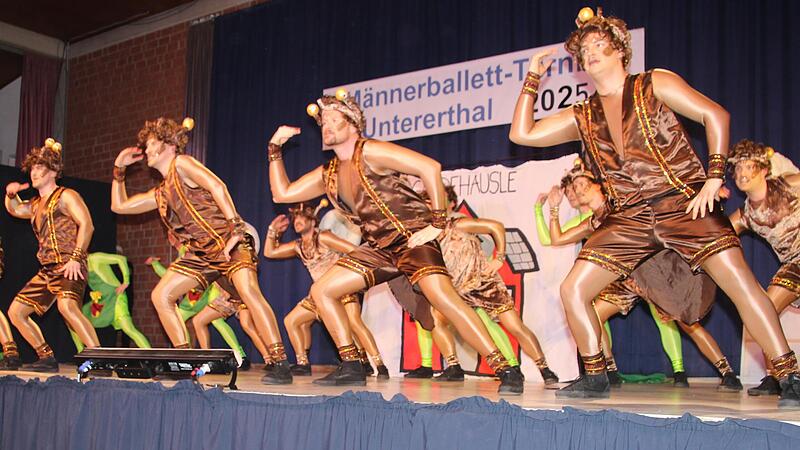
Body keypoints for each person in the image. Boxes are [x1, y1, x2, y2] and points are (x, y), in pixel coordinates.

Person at [509, 8, 798, 404]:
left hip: (683, 202)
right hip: (629, 216)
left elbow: (714, 114)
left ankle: (790, 374)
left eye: (599, 45)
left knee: (741, 285)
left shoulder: (653, 83)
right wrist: (533, 76)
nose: (591, 53)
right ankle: (595, 375)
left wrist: (714, 177)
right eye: (585, 49)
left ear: (619, 51)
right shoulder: (583, 114)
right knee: (573, 289)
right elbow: (521, 133)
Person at [267, 90, 522, 392]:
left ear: (353, 125)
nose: (328, 126)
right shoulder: (330, 173)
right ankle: (351, 365)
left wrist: (438, 223)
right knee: (322, 291)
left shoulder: (370, 151)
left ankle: (506, 369)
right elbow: (281, 194)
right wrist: (275, 149)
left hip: (410, 238)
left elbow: (430, 168)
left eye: (336, 120)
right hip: (379, 248)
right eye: (324, 122)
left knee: (445, 300)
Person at [111, 117, 291, 384]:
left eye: (151, 144)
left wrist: (236, 227)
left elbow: (217, 186)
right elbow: (120, 206)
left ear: (169, 144)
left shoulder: (182, 164)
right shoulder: (160, 193)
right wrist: (118, 169)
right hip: (201, 254)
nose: (146, 150)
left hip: (228, 238)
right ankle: (185, 362)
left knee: (248, 291)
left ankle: (280, 363)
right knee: (161, 296)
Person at [5, 138, 100, 372]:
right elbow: (16, 209)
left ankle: (100, 357)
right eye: (33, 168)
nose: (34, 172)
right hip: (48, 270)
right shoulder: (37, 204)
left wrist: (77, 257)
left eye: (40, 168)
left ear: (54, 171)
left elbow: (87, 225)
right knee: (16, 312)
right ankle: (46, 357)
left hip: (70, 264)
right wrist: (10, 194)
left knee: (67, 307)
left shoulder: (67, 195)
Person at [265, 201, 388, 378]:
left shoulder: (324, 237)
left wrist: (347, 275)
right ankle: (303, 364)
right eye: (295, 218)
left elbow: (353, 250)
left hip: (339, 290)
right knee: (291, 321)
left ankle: (379, 365)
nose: (297, 221)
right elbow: (270, 252)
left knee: (354, 323)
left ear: (313, 221)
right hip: (317, 296)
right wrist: (272, 230)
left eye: (302, 217)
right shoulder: (297, 246)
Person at [726, 140, 800, 396]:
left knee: (763, 312)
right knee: (762, 312)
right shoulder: (746, 214)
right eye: (737, 168)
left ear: (764, 170)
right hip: (794, 266)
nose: (743, 173)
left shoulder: (788, 184)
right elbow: (717, 237)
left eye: (749, 167)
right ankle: (779, 376)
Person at [70, 251, 151, 352]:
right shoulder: (79, 267)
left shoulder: (95, 258)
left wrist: (126, 281)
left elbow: (121, 259)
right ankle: (83, 356)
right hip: (101, 302)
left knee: (128, 328)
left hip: (115, 298)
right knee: (73, 321)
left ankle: (152, 356)